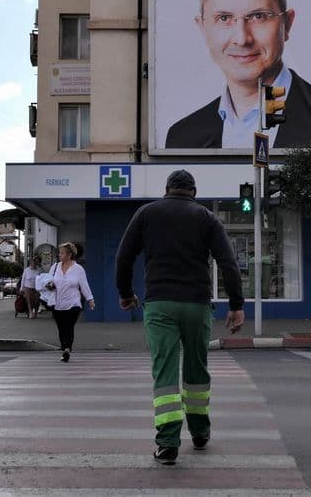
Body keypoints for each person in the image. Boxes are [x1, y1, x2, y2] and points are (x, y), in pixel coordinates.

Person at [114, 169, 245, 465]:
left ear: (167, 189)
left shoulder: (147, 213)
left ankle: (168, 444)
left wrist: (125, 293)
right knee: (197, 369)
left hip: (159, 304)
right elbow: (228, 262)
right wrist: (236, 304)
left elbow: (124, 256)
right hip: (197, 305)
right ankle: (200, 433)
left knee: (165, 372)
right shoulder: (206, 217)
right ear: (194, 192)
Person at [165, 0, 311, 150]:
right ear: (203, 28)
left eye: (258, 16)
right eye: (224, 18)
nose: (242, 39)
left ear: (287, 25)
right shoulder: (182, 137)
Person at [48, 242, 95, 363]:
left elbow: (84, 285)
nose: (59, 255)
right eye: (59, 253)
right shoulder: (55, 267)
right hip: (57, 303)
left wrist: (90, 299)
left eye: (62, 253)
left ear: (69, 255)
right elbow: (48, 281)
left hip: (73, 303)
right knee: (61, 328)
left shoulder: (78, 269)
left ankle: (67, 349)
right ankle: (64, 347)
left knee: (69, 326)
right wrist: (49, 285)